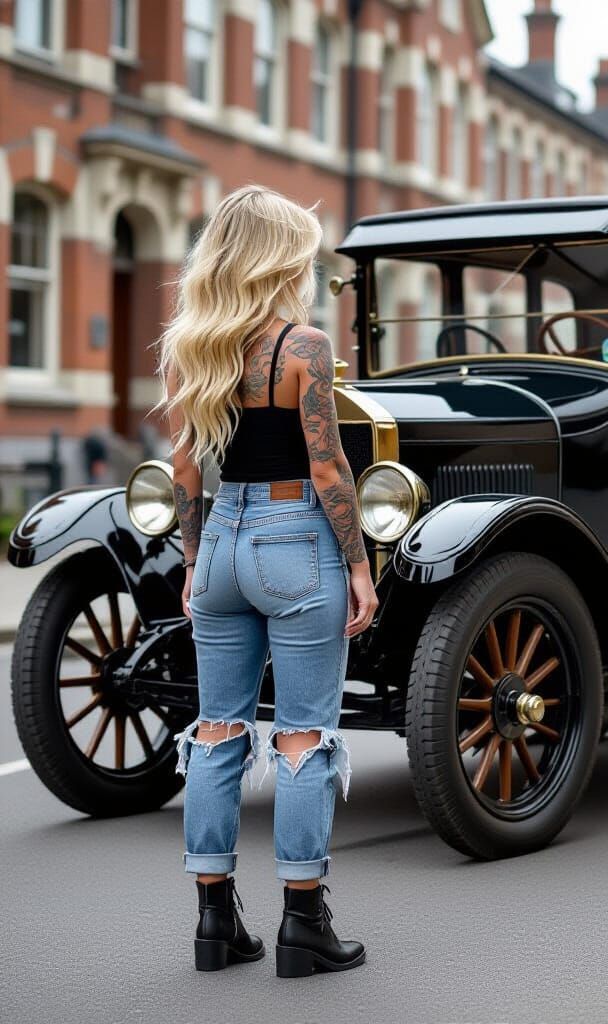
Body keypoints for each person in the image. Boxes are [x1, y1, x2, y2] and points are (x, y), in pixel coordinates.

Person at [156, 185, 378, 977]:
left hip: (219, 541)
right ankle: (303, 925)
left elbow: (187, 467)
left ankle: (216, 925)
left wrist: (192, 562)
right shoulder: (302, 348)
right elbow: (327, 464)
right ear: (282, 257)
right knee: (302, 733)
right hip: (295, 543)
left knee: (217, 727)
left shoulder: (194, 345)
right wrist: (359, 563)